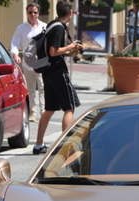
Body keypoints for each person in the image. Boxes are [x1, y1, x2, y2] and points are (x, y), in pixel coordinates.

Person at [33, 0, 83, 155]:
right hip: (57, 72)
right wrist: (70, 47)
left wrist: (70, 52)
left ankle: (38, 145)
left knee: (49, 109)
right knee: (70, 107)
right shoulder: (59, 28)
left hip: (48, 72)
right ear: (70, 13)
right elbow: (54, 51)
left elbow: (53, 52)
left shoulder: (51, 24)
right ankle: (66, 146)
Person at [10, 2, 45, 122]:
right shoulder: (21, 28)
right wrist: (15, 54)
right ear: (27, 13)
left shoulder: (44, 27)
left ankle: (43, 111)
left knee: (42, 88)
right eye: (30, 12)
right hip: (28, 63)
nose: (33, 15)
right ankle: (32, 112)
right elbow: (14, 43)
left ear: (38, 13)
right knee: (30, 90)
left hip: (42, 63)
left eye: (35, 12)